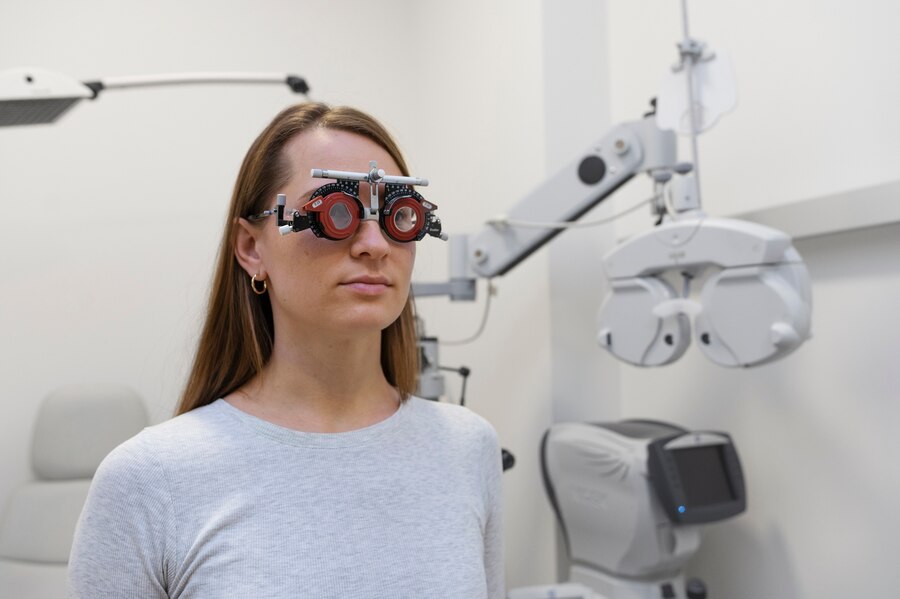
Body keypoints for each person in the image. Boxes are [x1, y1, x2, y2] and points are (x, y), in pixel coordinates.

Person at [67, 103, 504, 598]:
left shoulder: (467, 448)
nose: (376, 244)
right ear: (252, 248)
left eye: (399, 216)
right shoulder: (150, 480)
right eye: (336, 212)